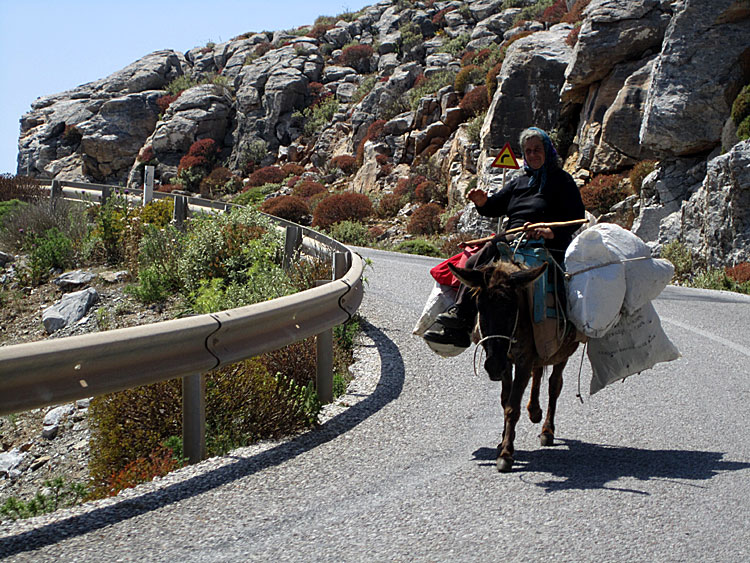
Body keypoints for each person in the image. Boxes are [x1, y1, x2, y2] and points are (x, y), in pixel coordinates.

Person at [423, 127, 585, 348]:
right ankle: (462, 319)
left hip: (547, 244)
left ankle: (563, 328)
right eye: (528, 151)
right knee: (472, 264)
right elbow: (495, 206)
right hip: (511, 240)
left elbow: (577, 217)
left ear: (547, 150)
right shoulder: (519, 182)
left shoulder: (563, 181)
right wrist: (483, 203)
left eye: (537, 149)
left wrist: (551, 232)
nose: (533, 154)